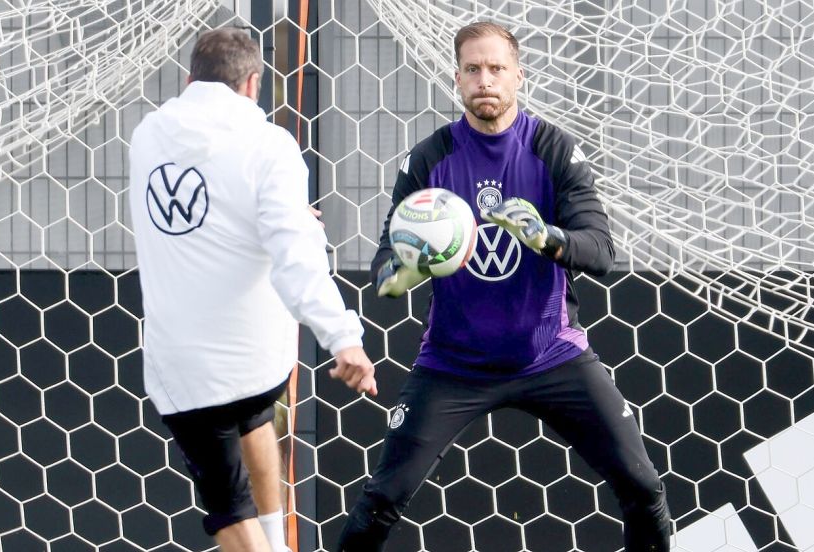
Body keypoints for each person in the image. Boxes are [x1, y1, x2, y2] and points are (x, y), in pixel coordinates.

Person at [338, 22, 671, 552]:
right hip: (454, 364)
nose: (484, 80)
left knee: (644, 486)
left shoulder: (552, 148)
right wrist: (411, 268)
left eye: (496, 69)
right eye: (472, 69)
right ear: (457, 79)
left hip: (552, 356)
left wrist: (547, 237)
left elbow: (602, 250)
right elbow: (385, 273)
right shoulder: (431, 158)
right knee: (382, 498)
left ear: (518, 76)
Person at [129, 27, 377, 552]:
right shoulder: (268, 145)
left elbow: (212, 206)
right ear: (252, 85)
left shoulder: (148, 134)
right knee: (255, 417)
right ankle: (275, 541)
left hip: (186, 371)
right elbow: (295, 258)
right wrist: (343, 338)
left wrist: (283, 219)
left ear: (188, 79)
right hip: (258, 363)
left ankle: (269, 543)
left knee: (226, 508)